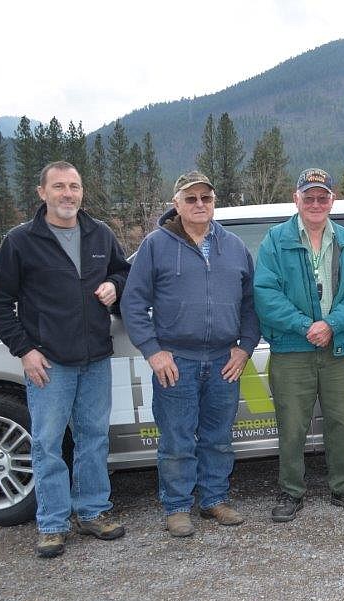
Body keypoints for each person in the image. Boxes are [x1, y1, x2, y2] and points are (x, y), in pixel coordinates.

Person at [0, 161, 130, 558]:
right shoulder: (21, 241)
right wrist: (25, 351)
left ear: (83, 192)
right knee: (48, 444)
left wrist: (113, 286)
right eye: (60, 187)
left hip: (96, 356)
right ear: (42, 192)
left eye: (75, 187)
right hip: (49, 362)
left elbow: (125, 273)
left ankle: (94, 512)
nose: (68, 194)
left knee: (94, 439)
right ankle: (52, 524)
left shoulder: (100, 233)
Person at [121, 171, 260, 538]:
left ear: (214, 203)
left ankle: (215, 498)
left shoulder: (233, 246)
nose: (200, 205)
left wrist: (245, 347)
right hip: (176, 361)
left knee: (218, 437)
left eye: (206, 198)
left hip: (222, 362)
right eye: (191, 198)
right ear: (176, 203)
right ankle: (177, 506)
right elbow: (133, 303)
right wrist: (153, 351)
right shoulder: (155, 245)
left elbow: (251, 304)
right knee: (177, 439)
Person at [254, 168, 344, 522]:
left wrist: (332, 325)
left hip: (336, 350)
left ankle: (343, 487)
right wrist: (307, 326)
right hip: (292, 350)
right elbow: (265, 294)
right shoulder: (275, 240)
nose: (316, 203)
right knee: (292, 426)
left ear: (332, 199)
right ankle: (291, 491)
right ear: (297, 199)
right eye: (309, 197)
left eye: (323, 197)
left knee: (341, 421)